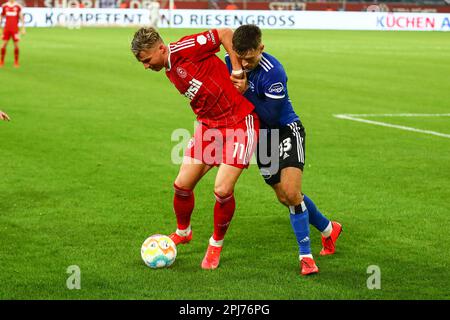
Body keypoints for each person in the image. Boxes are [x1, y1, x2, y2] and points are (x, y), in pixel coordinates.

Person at [131, 27, 259, 270]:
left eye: (147, 60)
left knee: (221, 190)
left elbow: (224, 33)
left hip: (239, 122)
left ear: (160, 48)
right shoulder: (168, 68)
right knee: (181, 185)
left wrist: (237, 70)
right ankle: (184, 231)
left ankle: (215, 245)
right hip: (209, 128)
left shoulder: (185, 49)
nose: (146, 67)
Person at [227, 25, 342, 275]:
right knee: (284, 197)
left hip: (286, 130)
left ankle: (306, 257)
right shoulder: (231, 62)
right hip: (262, 138)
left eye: (250, 58)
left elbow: (271, 114)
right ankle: (329, 230)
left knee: (291, 192)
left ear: (261, 48)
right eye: (241, 57)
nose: (245, 64)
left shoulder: (274, 72)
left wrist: (246, 91)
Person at [0, 0, 25, 68]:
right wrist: (0, 27)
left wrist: (23, 28)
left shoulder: (18, 6)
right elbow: (1, 16)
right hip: (7, 29)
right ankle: (1, 61)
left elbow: (21, 17)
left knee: (16, 45)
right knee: (4, 45)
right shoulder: (4, 6)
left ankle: (16, 62)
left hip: (15, 29)